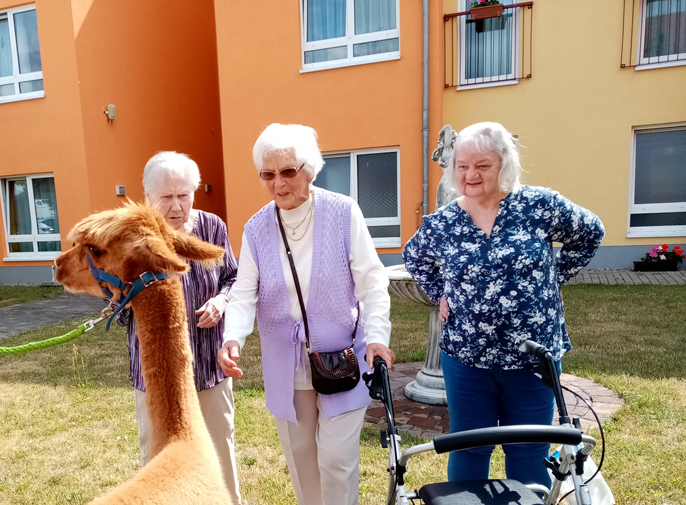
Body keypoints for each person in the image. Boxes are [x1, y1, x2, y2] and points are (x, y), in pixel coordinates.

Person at [403, 122, 605, 488]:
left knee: (529, 447)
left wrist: (552, 277)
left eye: (483, 165)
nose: (471, 174)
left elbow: (591, 231)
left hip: (531, 358)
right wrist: (440, 293)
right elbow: (414, 256)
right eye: (462, 166)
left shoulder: (539, 205)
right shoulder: (443, 223)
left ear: (505, 165)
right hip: (467, 358)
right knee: (468, 447)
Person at [217, 123, 395, 505]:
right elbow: (244, 292)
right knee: (301, 459)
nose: (278, 183)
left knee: (337, 459)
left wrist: (377, 336)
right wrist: (233, 338)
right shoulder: (256, 228)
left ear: (310, 170)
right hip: (287, 362)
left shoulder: (343, 213)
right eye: (268, 174)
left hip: (342, 359)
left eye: (288, 172)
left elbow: (372, 282)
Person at [115, 151, 241, 504]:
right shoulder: (129, 239)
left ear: (194, 194)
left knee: (219, 455)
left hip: (208, 369)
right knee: (161, 463)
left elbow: (233, 276)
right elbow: (116, 305)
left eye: (183, 195)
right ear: (147, 195)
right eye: (165, 197)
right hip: (158, 378)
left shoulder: (213, 227)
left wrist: (221, 301)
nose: (175, 206)